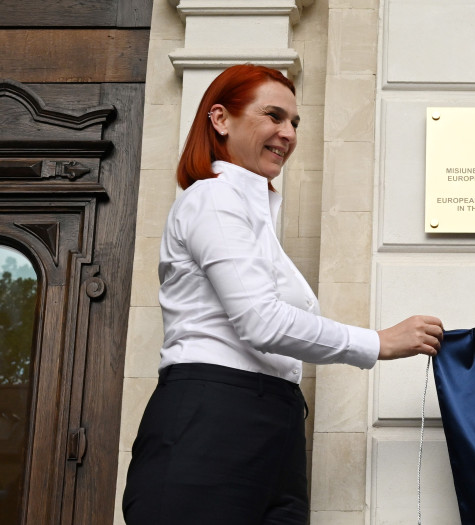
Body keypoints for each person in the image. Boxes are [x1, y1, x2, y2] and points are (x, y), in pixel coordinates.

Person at [122, 64, 444, 524]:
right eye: (273, 116)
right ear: (220, 119)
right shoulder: (212, 199)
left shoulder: (253, 215)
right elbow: (261, 321)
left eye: (294, 122)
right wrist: (378, 342)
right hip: (211, 418)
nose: (288, 133)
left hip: (273, 422)